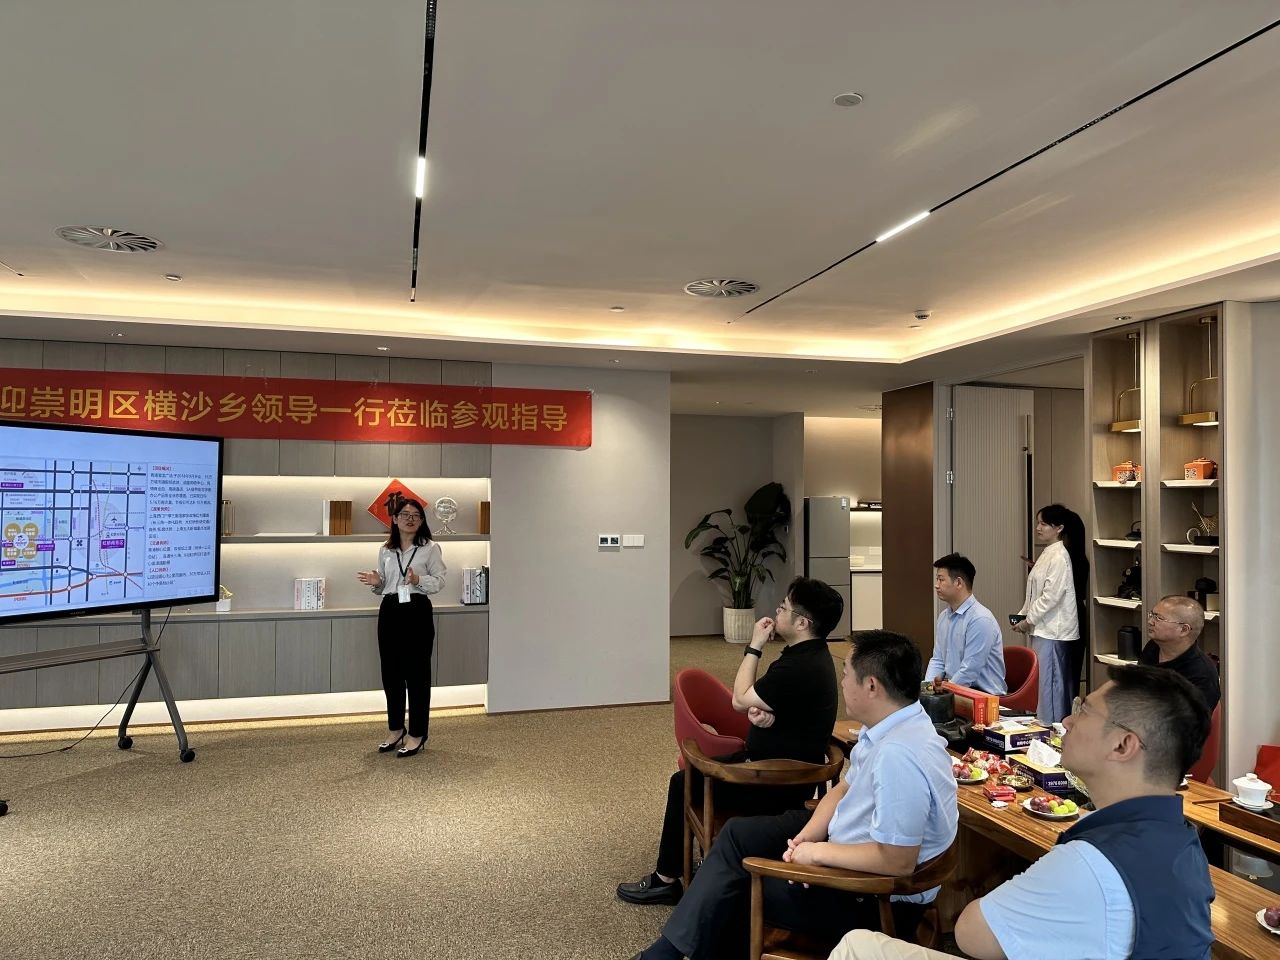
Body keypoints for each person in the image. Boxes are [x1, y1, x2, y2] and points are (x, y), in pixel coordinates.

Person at [826, 664, 1215, 960]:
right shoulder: (1181, 839)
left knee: (856, 949)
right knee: (859, 945)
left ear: (1123, 745)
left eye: (1084, 711)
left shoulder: (1091, 863)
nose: (1067, 721)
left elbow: (971, 935)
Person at [623, 631, 957, 960]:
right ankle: (666, 953)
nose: (842, 683)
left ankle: (663, 956)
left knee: (734, 890)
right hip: (845, 843)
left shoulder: (899, 756)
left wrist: (817, 854)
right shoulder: (891, 725)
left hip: (869, 896)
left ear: (872, 686)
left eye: (846, 674)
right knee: (737, 835)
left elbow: (897, 861)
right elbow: (844, 789)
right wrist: (806, 838)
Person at [617, 577, 844, 906]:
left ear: (802, 623)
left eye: (784, 607)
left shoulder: (799, 667)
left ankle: (665, 879)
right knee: (688, 778)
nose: (777, 611)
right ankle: (699, 864)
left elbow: (739, 698)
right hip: (778, 767)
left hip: (773, 780)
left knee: (683, 783)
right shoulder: (812, 657)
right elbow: (781, 705)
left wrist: (754, 646)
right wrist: (771, 717)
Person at [356, 498, 446, 757]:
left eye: (416, 515)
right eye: (405, 514)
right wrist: (377, 582)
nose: (410, 519)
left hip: (417, 610)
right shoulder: (386, 549)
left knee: (417, 675)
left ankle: (417, 733)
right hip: (390, 610)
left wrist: (418, 579)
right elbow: (385, 584)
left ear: (422, 521)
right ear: (394, 519)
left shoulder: (430, 548)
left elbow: (440, 581)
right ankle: (396, 729)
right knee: (391, 673)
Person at [1013, 504, 1089, 724]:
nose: (1038, 528)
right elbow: (1034, 593)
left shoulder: (1059, 556)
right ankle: (1043, 725)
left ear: (1059, 528)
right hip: (1042, 628)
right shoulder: (1048, 553)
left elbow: (1050, 597)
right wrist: (1023, 616)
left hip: (1053, 631)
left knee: (1052, 686)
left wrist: (1028, 619)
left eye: (1044, 524)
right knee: (1043, 684)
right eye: (1038, 523)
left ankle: (1053, 730)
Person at [926, 554, 1005, 695]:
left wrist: (945, 691)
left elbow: (970, 670)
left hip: (984, 695)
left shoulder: (980, 619)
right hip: (955, 689)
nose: (936, 585)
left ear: (958, 583)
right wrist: (927, 689)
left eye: (941, 579)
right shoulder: (944, 617)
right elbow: (938, 660)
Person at [1141, 595, 1220, 712]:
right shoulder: (1153, 647)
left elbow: (1191, 720)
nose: (1150, 621)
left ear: (1184, 630)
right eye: (1152, 615)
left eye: (1158, 618)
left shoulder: (1202, 675)